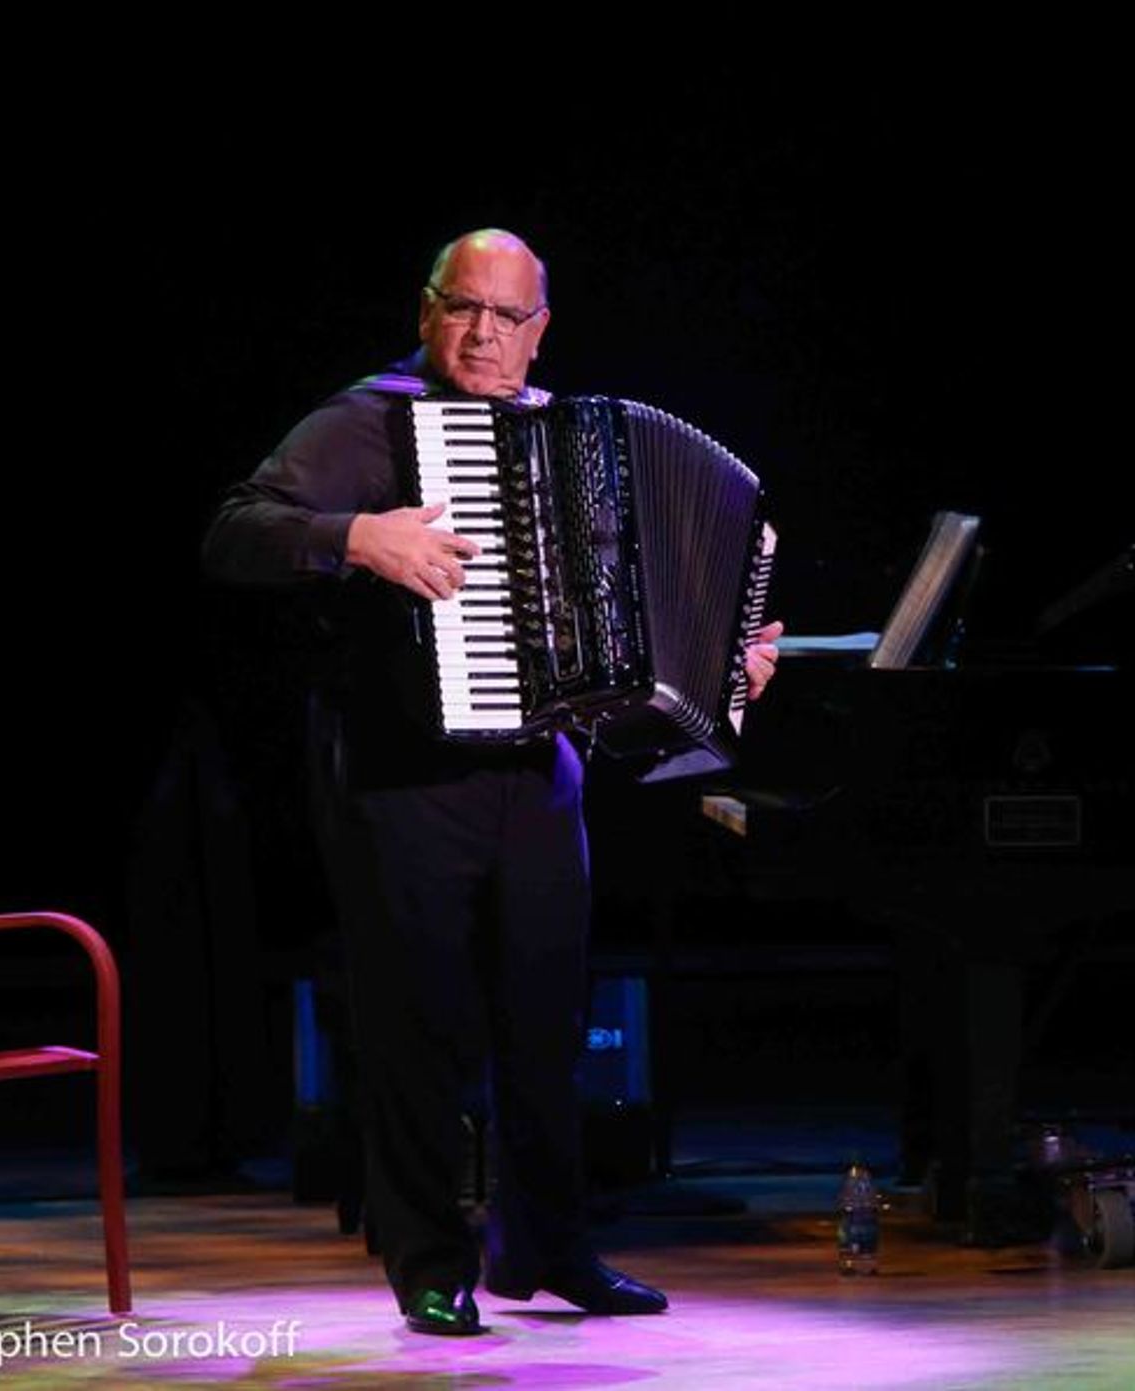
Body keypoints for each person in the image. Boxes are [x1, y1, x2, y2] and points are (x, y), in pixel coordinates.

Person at [203, 228, 781, 1336]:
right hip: (399, 771)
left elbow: (621, 639)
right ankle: (428, 1259)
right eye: (460, 308)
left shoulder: (570, 438)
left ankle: (548, 1246)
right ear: (425, 311)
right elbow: (232, 532)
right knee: (414, 1023)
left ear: (539, 329)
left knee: (544, 1022)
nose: (481, 334)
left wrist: (722, 669)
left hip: (539, 775)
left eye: (505, 316)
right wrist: (355, 535)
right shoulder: (367, 419)